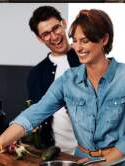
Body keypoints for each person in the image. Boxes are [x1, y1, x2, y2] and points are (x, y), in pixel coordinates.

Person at [0, 9, 125, 166]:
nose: (78, 47)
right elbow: (33, 114)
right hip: (82, 161)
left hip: (123, 163)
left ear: (104, 39)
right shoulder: (68, 80)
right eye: (75, 41)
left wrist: (104, 162)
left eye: (85, 41)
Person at [27, 6, 80, 154]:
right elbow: (35, 116)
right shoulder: (35, 75)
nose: (54, 36)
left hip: (92, 153)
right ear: (39, 38)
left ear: (63, 23)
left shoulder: (87, 59)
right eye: (46, 34)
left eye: (56, 28)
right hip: (56, 155)